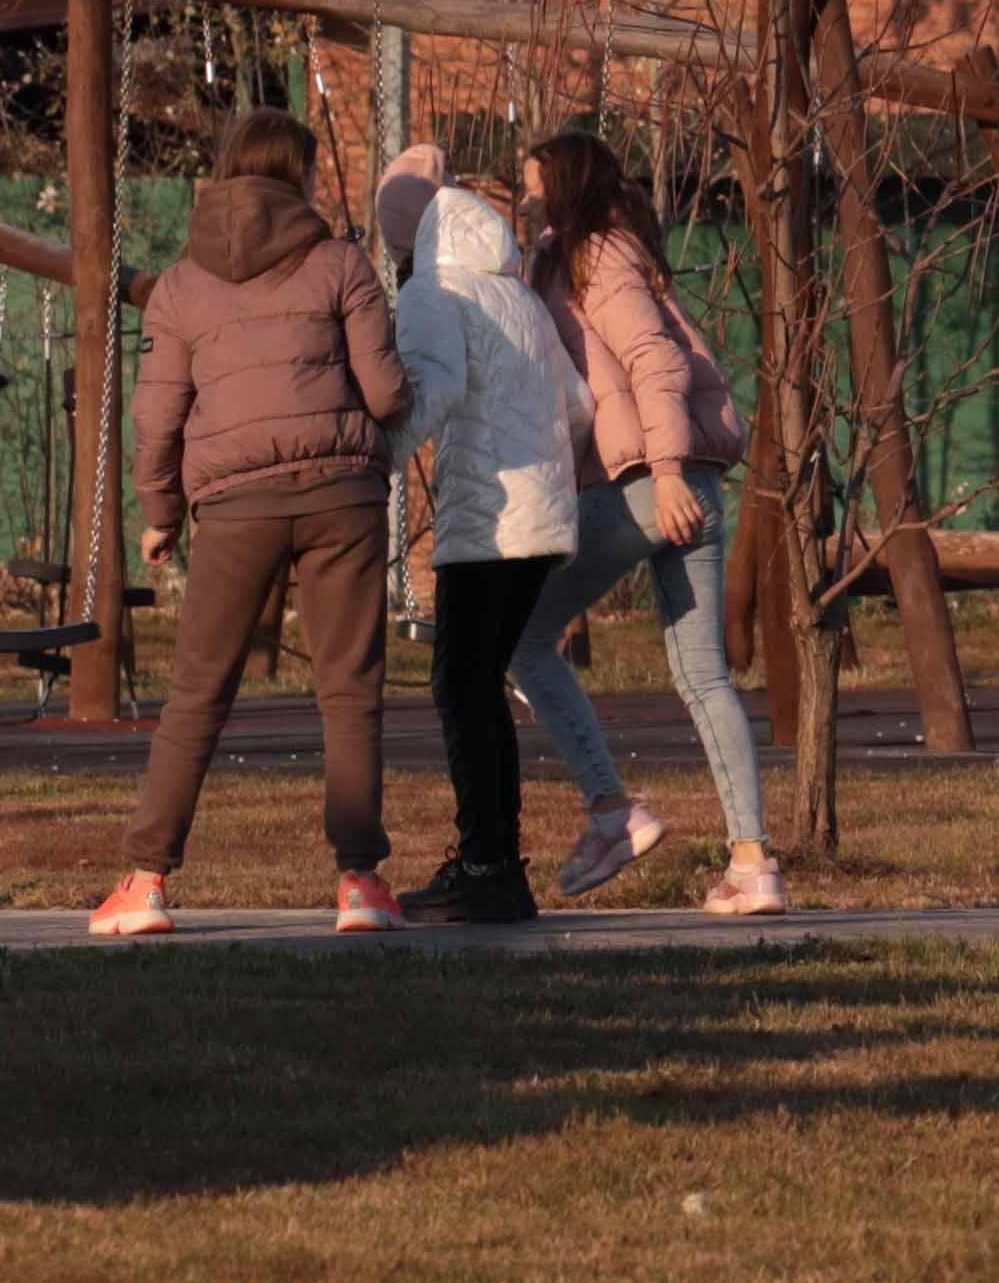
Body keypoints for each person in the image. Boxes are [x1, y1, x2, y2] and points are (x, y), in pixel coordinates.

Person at [89, 110, 414, 937]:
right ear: (298, 176)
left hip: (233, 506)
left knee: (197, 694)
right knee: (349, 691)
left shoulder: (180, 285)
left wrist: (159, 514)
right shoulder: (342, 262)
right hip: (342, 495)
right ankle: (360, 884)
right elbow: (384, 395)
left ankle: (147, 880)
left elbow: (157, 419)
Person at [503, 126, 780, 919]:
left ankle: (611, 812)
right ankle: (752, 865)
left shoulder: (597, 256)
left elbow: (656, 363)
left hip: (647, 481)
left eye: (533, 187)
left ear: (564, 188)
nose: (524, 202)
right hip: (682, 475)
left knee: (523, 638)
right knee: (702, 676)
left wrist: (662, 477)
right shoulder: (589, 254)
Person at [377, 147, 583, 926]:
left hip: (487, 521)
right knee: (481, 686)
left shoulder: (433, 292)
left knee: (460, 687)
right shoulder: (519, 298)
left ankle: (487, 863)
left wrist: (381, 460)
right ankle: (496, 860)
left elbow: (437, 388)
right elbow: (581, 403)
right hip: (544, 521)